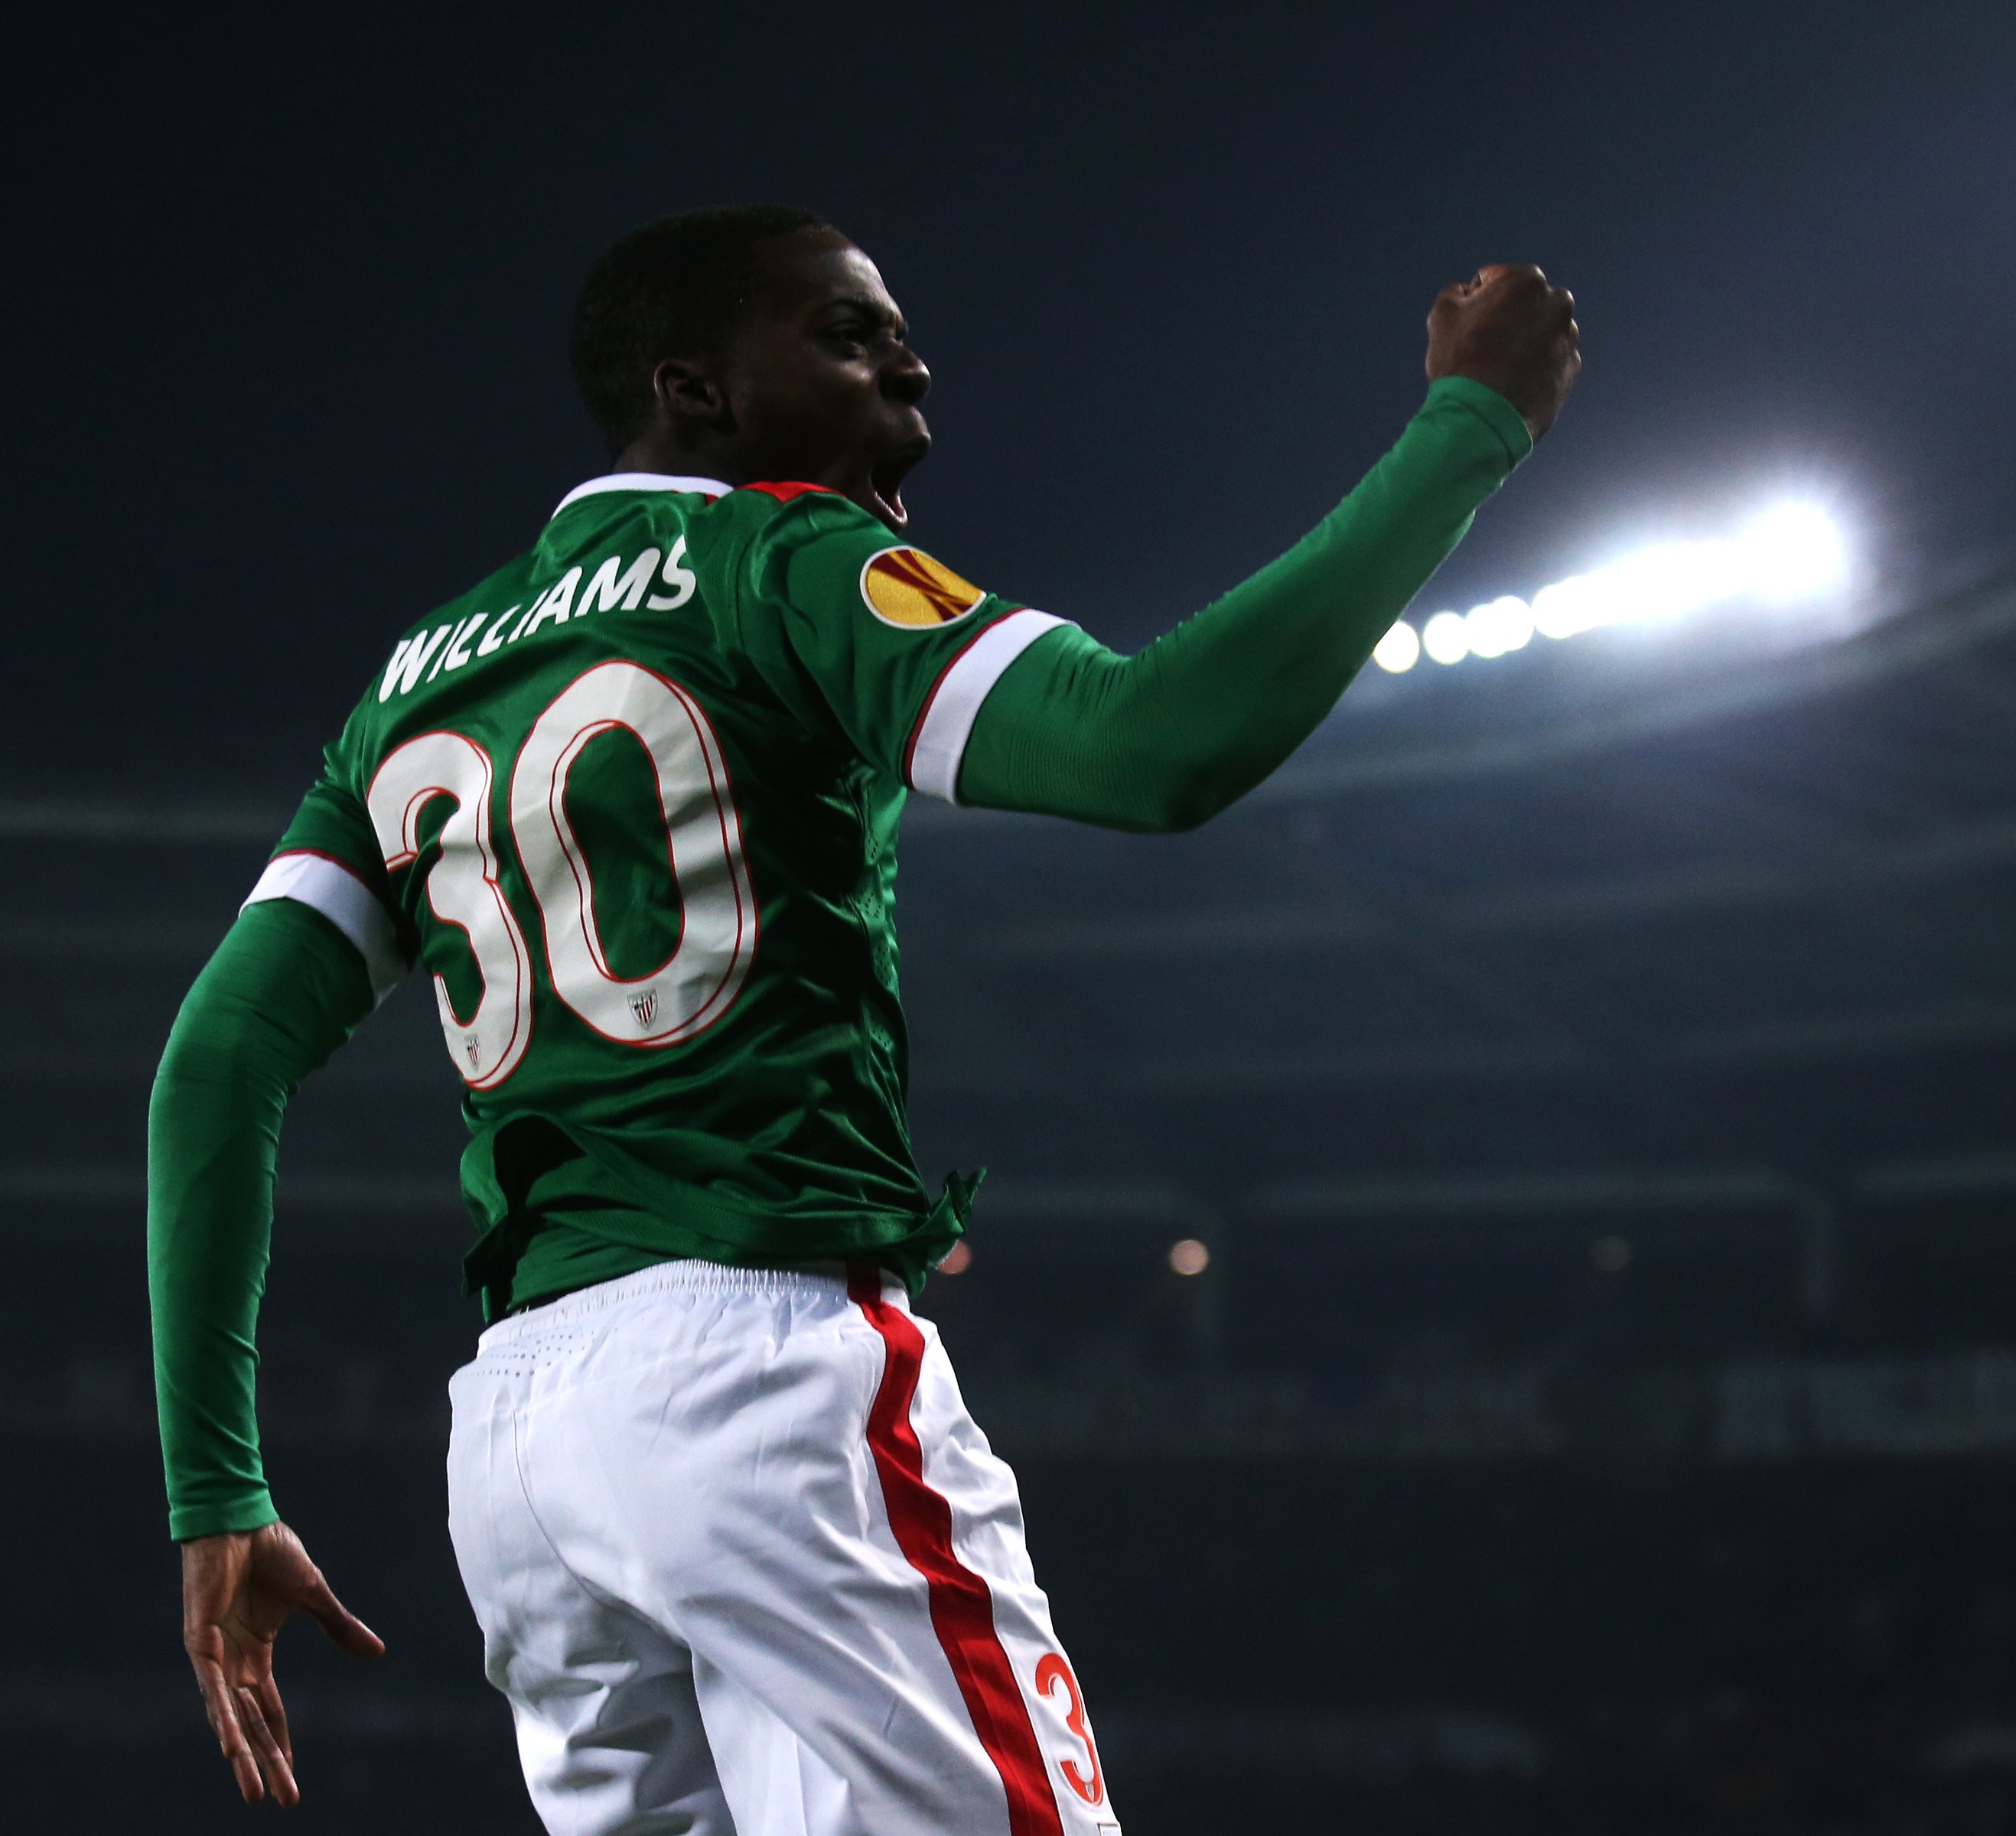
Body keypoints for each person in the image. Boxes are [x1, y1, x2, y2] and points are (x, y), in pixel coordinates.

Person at [146, 203, 1577, 1832]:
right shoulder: (778, 558)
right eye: (846, 334)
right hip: (760, 1382)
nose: (909, 365)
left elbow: (214, 1064)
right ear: (696, 389)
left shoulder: (411, 680)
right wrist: (1474, 425)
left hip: (521, 1451)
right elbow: (1151, 743)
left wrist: (218, 1487)